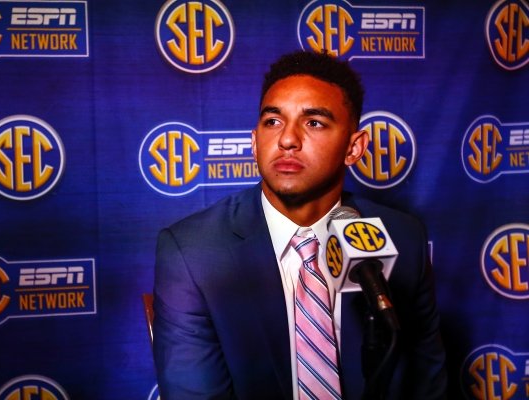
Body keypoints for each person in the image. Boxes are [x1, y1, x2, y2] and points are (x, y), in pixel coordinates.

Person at [153, 50, 447, 399]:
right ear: (253, 141)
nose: (287, 139)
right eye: (273, 121)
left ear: (354, 148)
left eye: (314, 122)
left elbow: (426, 385)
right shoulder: (194, 252)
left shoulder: (403, 238)